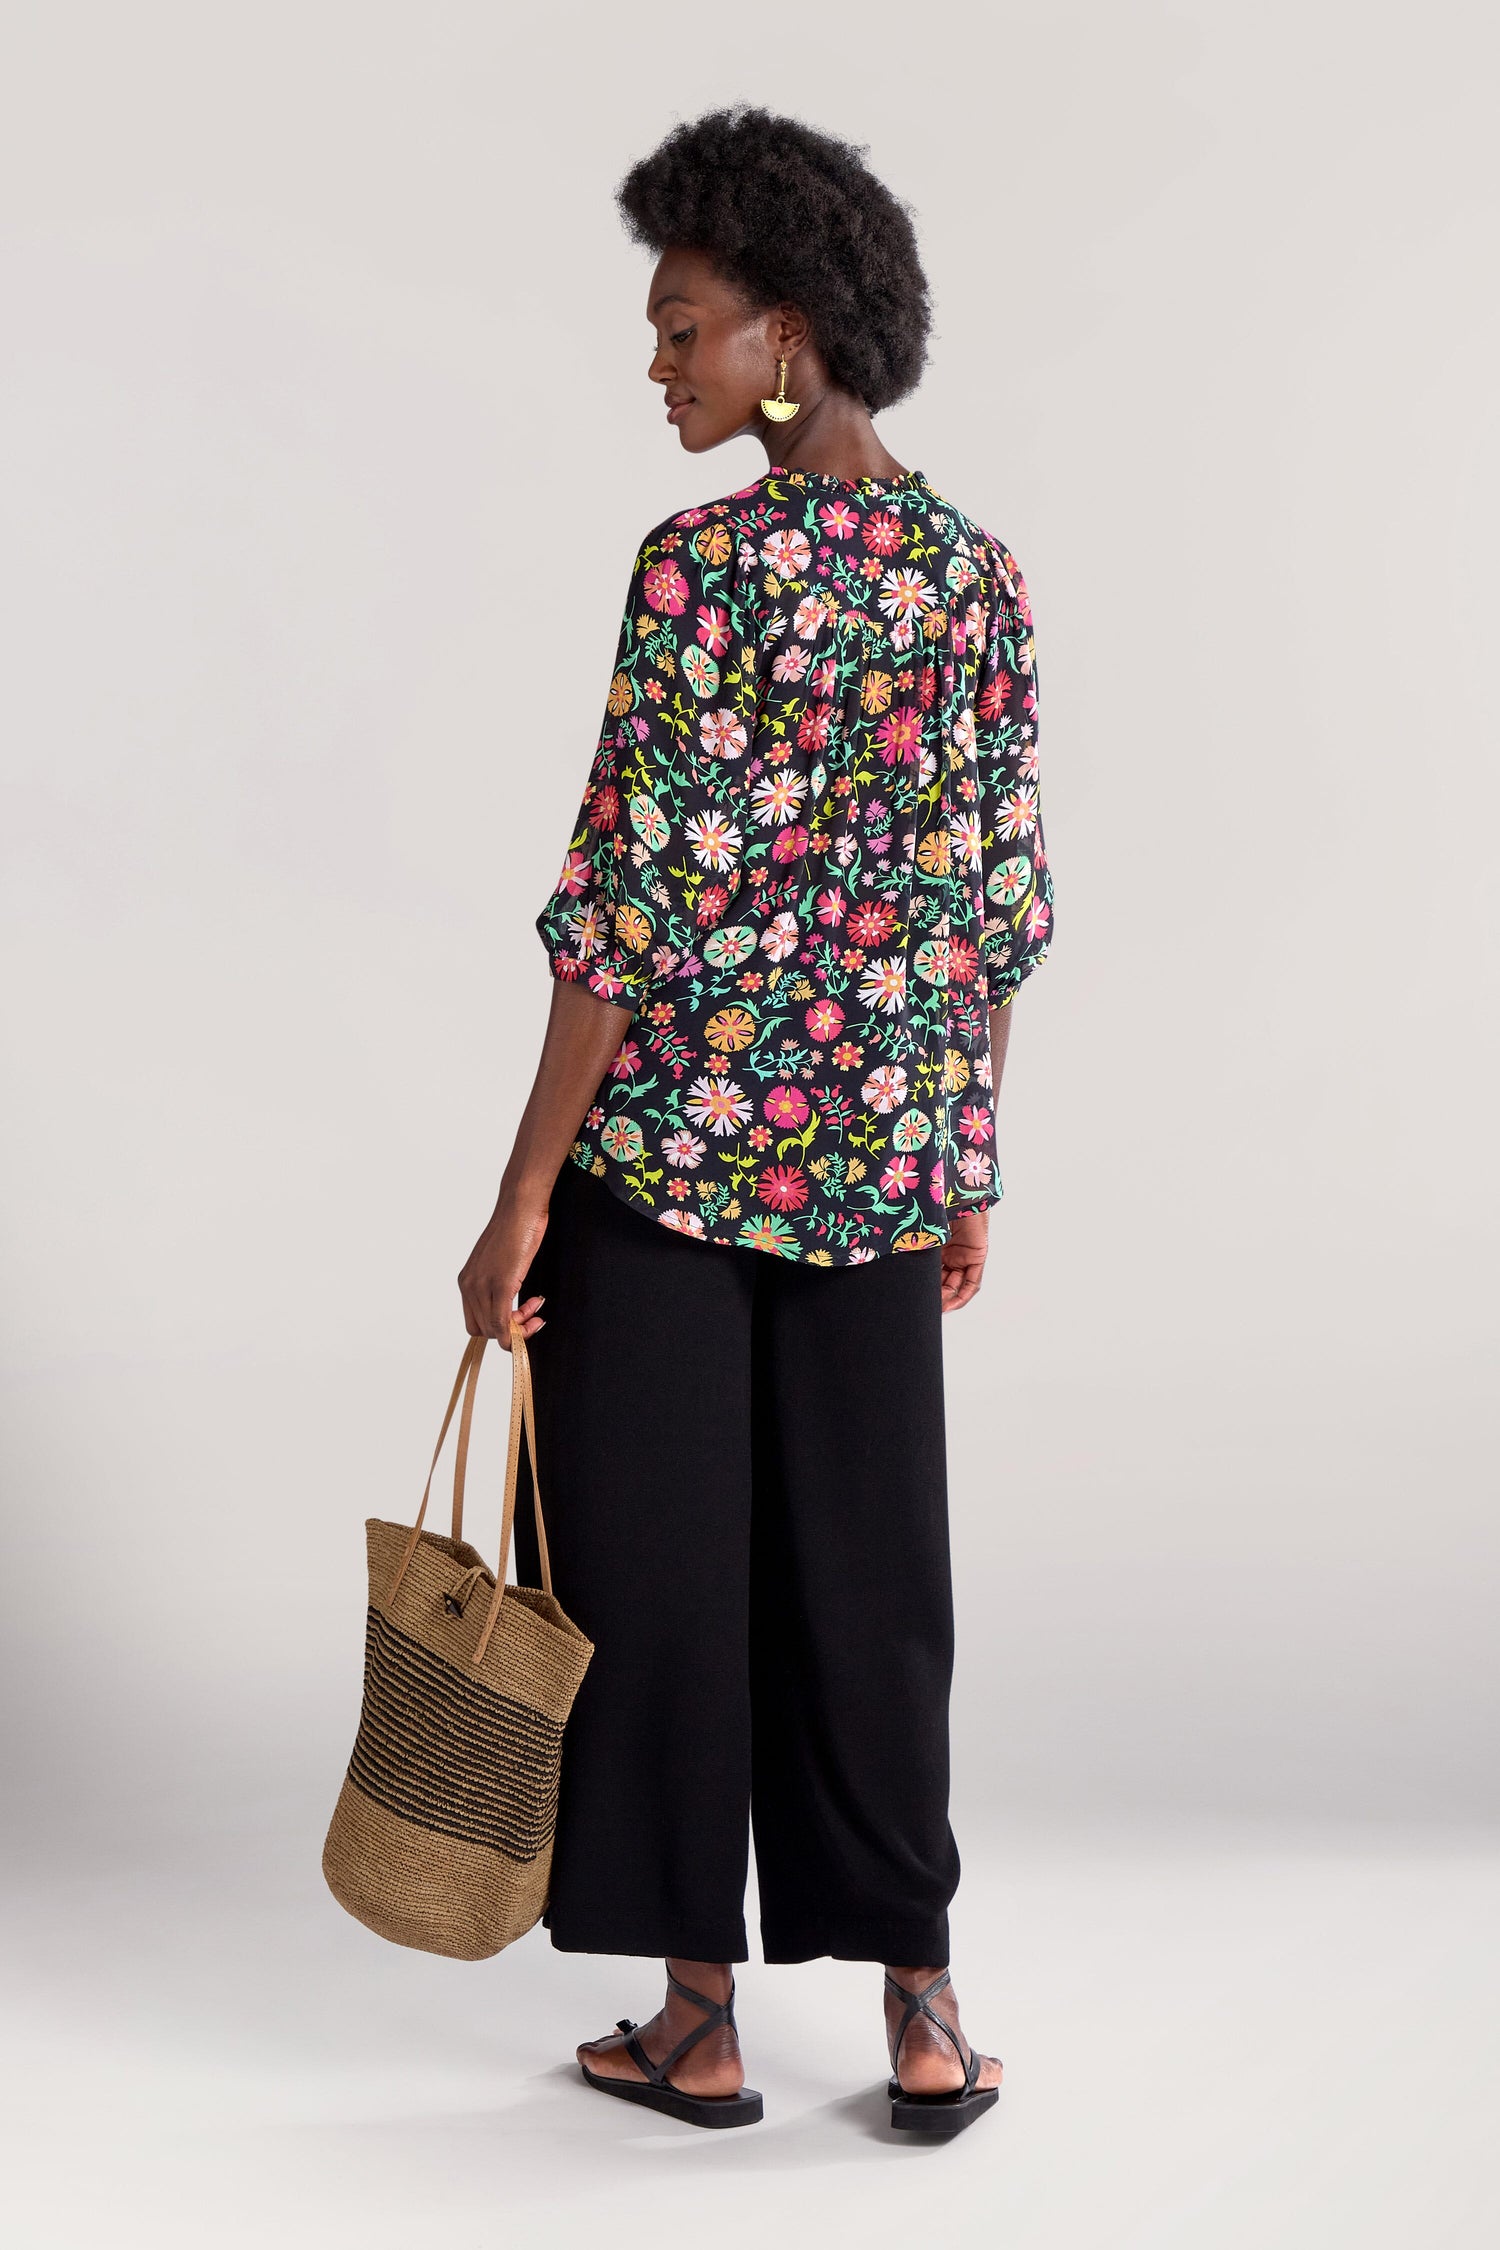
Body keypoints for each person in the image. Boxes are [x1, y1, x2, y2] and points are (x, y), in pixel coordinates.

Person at [458, 105, 1053, 2137]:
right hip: (884, 1168)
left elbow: (621, 914)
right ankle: (925, 2014)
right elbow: (992, 909)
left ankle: (699, 2017)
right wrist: (965, 1154)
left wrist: (523, 1192)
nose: (660, 361)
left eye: (683, 324)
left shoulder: (703, 573)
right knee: (877, 1582)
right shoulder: (977, 581)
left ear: (786, 336)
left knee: (661, 1575)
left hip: (672, 1172)